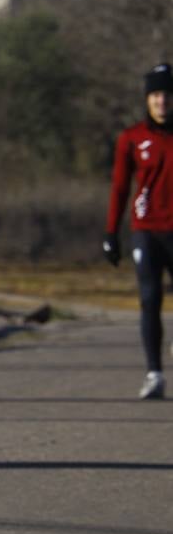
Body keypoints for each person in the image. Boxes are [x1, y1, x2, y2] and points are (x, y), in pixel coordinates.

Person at [105, 62, 173, 400]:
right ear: (148, 99)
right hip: (146, 229)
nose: (162, 101)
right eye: (156, 95)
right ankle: (154, 373)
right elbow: (119, 188)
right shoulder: (133, 138)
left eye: (167, 95)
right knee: (149, 299)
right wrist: (110, 234)